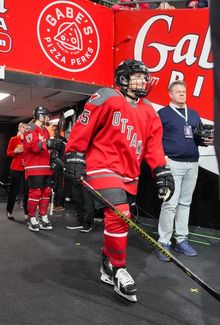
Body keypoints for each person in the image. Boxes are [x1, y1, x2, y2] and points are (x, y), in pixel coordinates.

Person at [64, 59, 175, 302]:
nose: (142, 81)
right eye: (136, 76)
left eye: (144, 77)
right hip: (102, 166)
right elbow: (85, 124)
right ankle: (118, 268)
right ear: (123, 79)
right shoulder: (106, 96)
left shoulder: (149, 112)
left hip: (129, 174)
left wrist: (161, 171)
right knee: (120, 214)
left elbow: (153, 146)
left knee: (121, 220)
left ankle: (106, 263)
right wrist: (74, 153)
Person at [155, 80, 214, 262]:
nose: (182, 94)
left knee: (185, 203)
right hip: (173, 163)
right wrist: (163, 158)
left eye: (184, 91)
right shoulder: (163, 114)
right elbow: (154, 138)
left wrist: (205, 141)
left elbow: (195, 138)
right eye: (178, 91)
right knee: (170, 204)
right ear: (170, 94)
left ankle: (181, 239)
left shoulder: (194, 114)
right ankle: (163, 242)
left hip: (192, 164)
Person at [23, 107, 58, 232]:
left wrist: (53, 156)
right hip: (34, 167)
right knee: (35, 192)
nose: (48, 118)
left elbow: (47, 149)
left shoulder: (45, 131)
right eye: (47, 116)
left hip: (45, 167)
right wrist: (47, 144)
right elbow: (32, 146)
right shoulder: (30, 128)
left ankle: (43, 216)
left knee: (46, 192)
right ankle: (32, 218)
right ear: (41, 116)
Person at [6, 122, 28, 220]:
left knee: (27, 191)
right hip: (15, 168)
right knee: (13, 191)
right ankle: (9, 211)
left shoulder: (28, 140)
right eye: (22, 127)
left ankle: (27, 213)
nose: (24, 128)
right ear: (19, 128)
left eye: (25, 127)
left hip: (26, 168)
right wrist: (14, 151)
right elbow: (8, 153)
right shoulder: (14, 139)